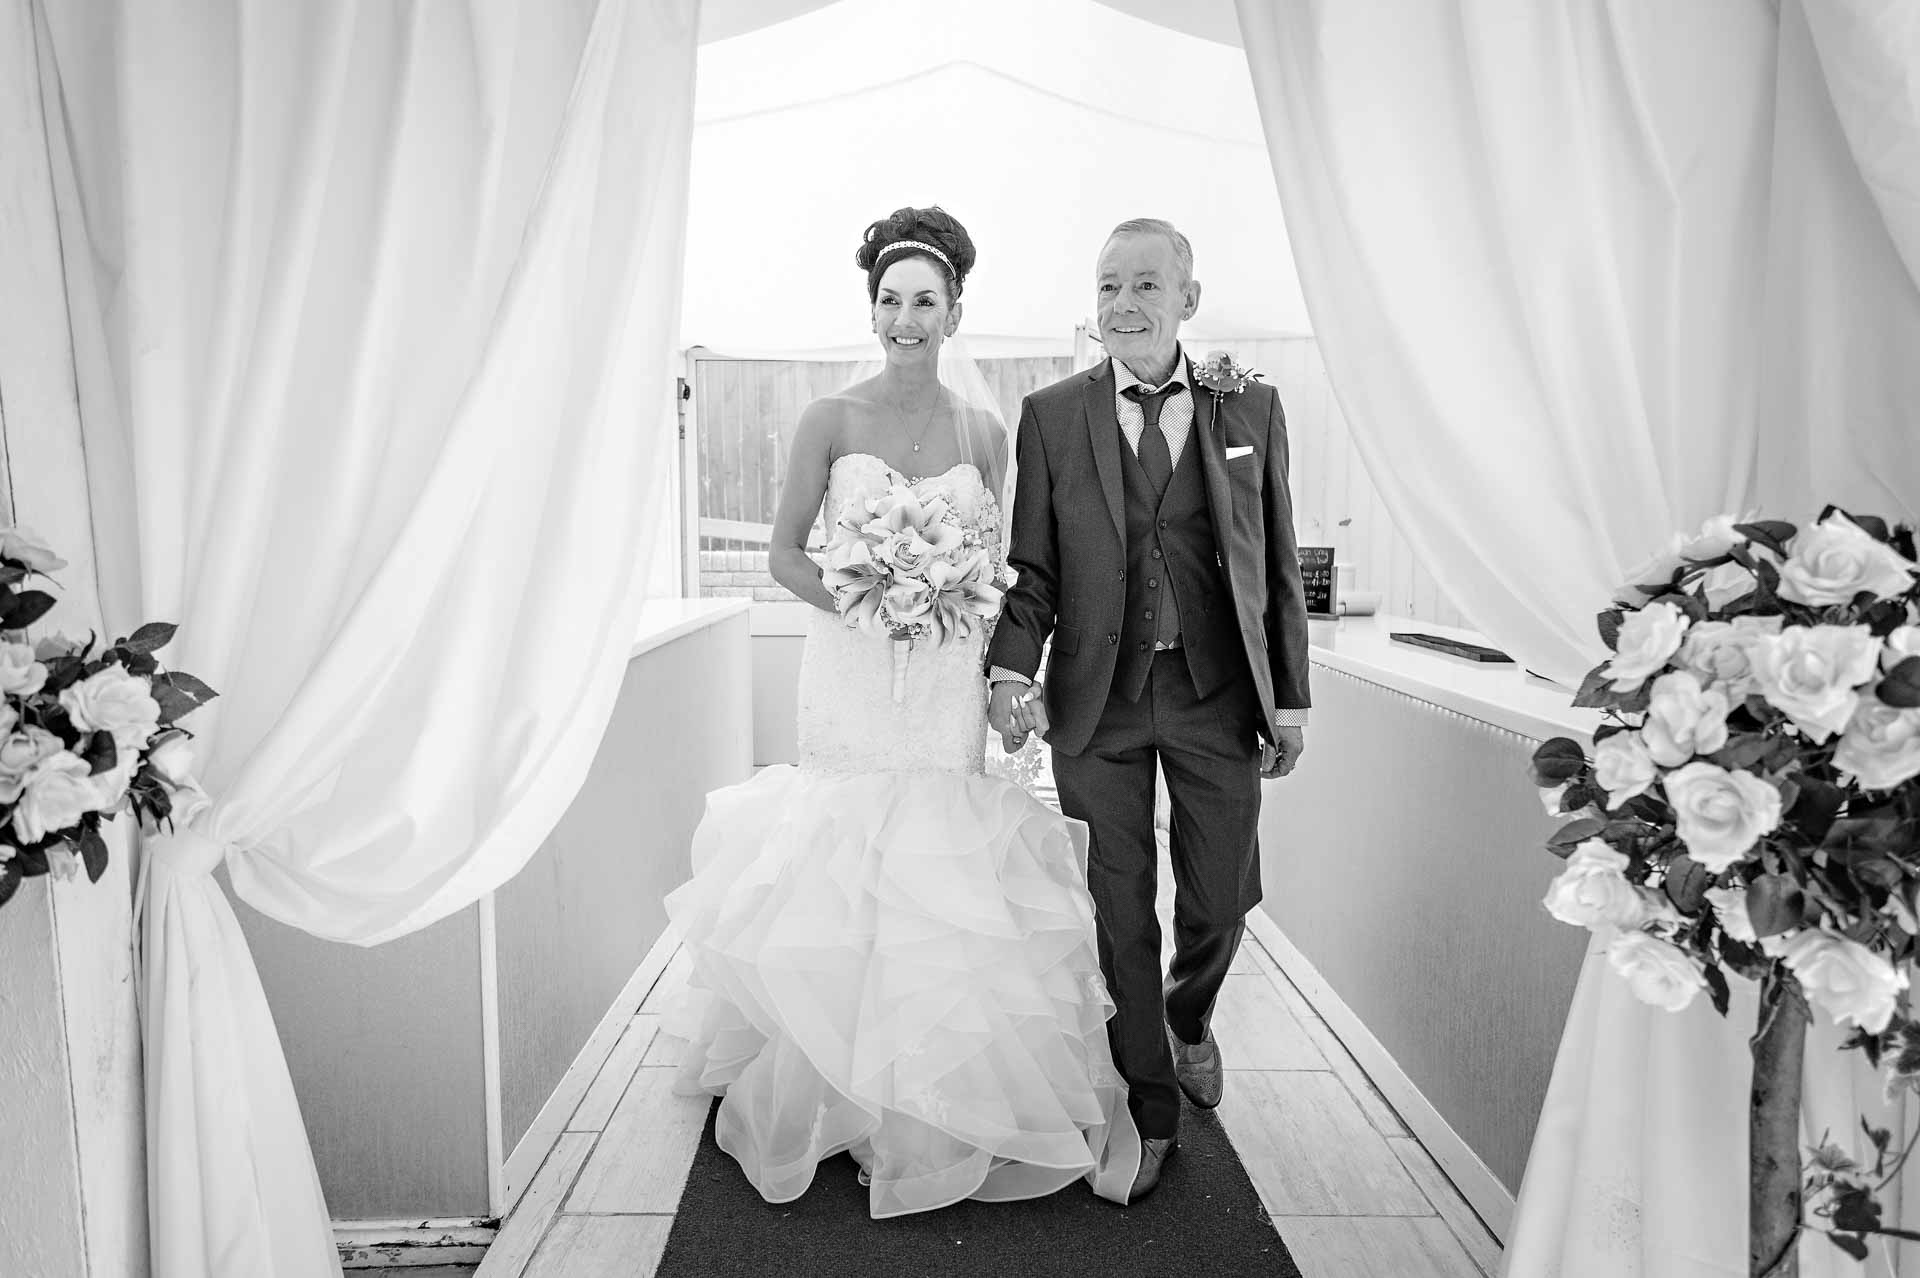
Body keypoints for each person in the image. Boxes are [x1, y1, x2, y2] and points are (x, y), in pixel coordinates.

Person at [664, 206, 1142, 1218]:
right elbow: (785, 551)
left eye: (924, 300)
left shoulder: (982, 431)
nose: (904, 317)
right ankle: (839, 1087)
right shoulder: (829, 419)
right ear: (872, 310)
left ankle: (929, 1093)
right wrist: (870, 591)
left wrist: (984, 651)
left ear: (955, 310)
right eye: (889, 300)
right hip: (851, 665)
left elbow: (1004, 564)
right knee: (848, 853)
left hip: (943, 677)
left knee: (940, 861)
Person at [986, 217, 1311, 1199]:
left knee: (1217, 900)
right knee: (1117, 909)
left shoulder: (1249, 405)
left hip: (1216, 699)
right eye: (1107, 287)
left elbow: (1278, 563)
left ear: (1188, 300)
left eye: (1145, 286)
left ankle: (1191, 1016)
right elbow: (1033, 568)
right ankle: (1151, 1106)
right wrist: (1009, 673)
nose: (1124, 304)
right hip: (1097, 702)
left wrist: (1288, 700)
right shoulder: (1049, 415)